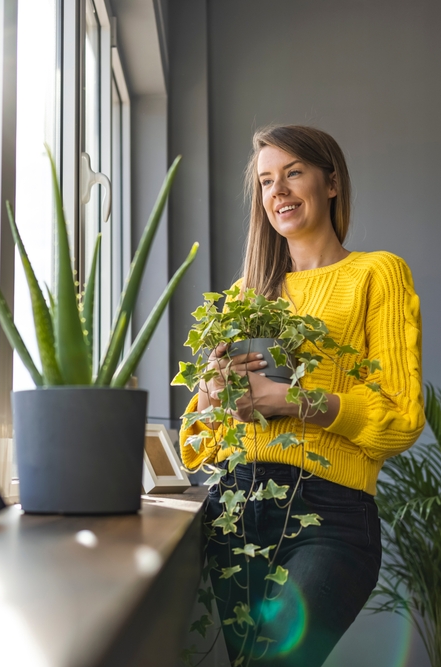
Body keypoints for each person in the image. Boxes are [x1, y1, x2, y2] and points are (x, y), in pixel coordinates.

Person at [179, 125, 424, 666]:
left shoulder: (376, 275)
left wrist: (291, 401)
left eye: (293, 173)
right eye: (267, 181)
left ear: (331, 182)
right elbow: (200, 446)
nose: (278, 192)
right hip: (236, 509)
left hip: (331, 513)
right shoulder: (242, 298)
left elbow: (400, 418)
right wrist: (211, 391)